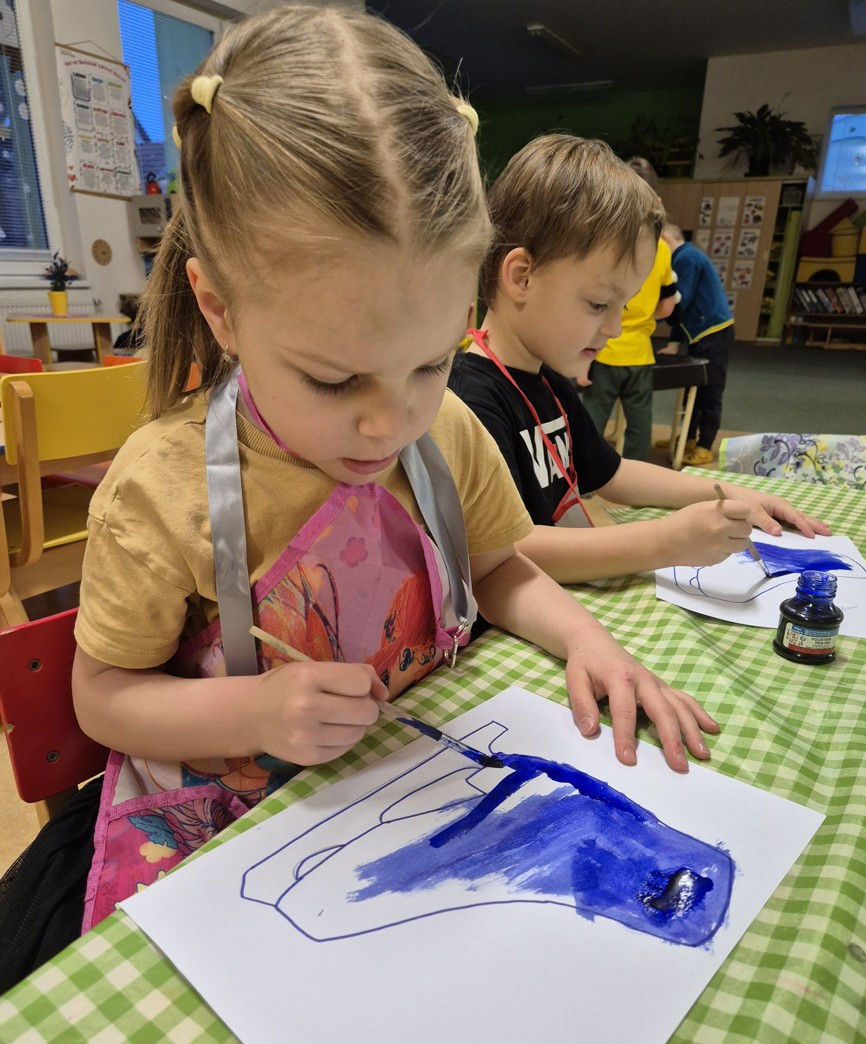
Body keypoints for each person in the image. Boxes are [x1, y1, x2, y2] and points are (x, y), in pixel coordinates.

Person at [0, 6, 726, 985]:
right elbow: (102, 698)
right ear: (221, 310)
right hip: (222, 840)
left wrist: (587, 640)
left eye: (430, 361)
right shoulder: (164, 491)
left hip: (401, 800)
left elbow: (502, 570)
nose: (390, 423)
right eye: (335, 380)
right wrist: (254, 711)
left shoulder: (448, 430)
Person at [449, 134, 829, 588]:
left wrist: (733, 492)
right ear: (522, 277)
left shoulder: (548, 381)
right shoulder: (471, 401)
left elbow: (613, 473)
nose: (614, 328)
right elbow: (506, 551)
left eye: (623, 306)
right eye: (598, 304)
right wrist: (665, 541)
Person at [579, 229, 678, 460]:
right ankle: (637, 471)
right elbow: (667, 307)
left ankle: (585, 472)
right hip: (641, 353)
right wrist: (643, 317)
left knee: (592, 419)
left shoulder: (609, 241)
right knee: (640, 422)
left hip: (604, 351)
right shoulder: (662, 249)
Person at [660, 221, 735, 466]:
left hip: (713, 333)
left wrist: (653, 309)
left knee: (709, 390)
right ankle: (689, 438)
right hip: (698, 333)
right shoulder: (682, 257)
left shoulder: (687, 258)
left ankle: (705, 445)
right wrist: (674, 342)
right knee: (692, 387)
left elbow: (679, 302)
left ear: (664, 239)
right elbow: (681, 310)